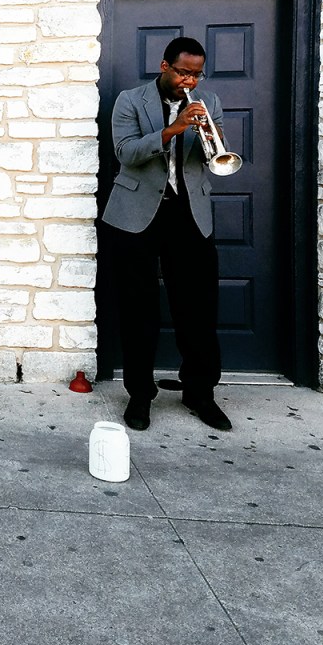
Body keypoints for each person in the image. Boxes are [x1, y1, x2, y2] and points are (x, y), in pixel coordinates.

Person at [102, 36, 232, 433]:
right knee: (138, 308)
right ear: (165, 67)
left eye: (196, 73)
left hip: (189, 213)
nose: (190, 80)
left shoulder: (208, 101)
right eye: (183, 72)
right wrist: (173, 129)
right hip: (136, 214)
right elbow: (125, 153)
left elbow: (216, 157)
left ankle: (200, 393)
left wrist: (212, 139)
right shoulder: (130, 100)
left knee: (198, 306)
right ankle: (140, 396)